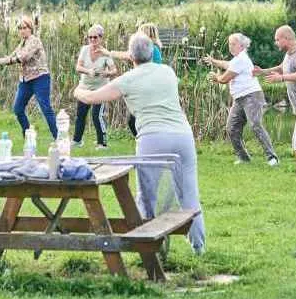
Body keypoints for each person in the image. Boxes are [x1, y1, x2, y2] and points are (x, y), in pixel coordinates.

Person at [74, 33, 205, 254]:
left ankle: (148, 248)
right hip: (182, 135)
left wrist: (78, 90)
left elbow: (91, 98)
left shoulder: (128, 79)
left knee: (147, 197)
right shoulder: (168, 72)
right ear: (152, 52)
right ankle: (198, 247)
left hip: (152, 137)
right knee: (189, 193)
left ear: (131, 55)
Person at [203, 33, 278, 166]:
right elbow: (228, 64)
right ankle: (244, 158)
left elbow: (224, 79)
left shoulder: (241, 59)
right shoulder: (238, 59)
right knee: (231, 127)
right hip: (239, 99)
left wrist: (216, 77)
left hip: (252, 96)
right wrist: (214, 61)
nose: (230, 47)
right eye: (229, 44)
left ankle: (272, 158)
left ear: (242, 46)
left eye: (233, 44)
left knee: (255, 125)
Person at [0, 16, 58, 139]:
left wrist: (11, 60)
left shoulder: (34, 41)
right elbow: (9, 58)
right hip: (25, 80)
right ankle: (28, 135)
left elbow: (23, 57)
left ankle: (58, 138)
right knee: (18, 108)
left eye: (24, 27)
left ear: (30, 28)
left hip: (40, 78)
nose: (22, 30)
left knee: (45, 108)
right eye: (19, 28)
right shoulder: (22, 43)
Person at [256, 25, 296, 183]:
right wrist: (263, 71)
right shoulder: (289, 54)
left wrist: (282, 78)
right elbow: (282, 68)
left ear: (287, 38)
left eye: (277, 39)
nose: (275, 42)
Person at [98, 23, 163, 136]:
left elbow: (128, 55)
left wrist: (109, 53)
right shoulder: (154, 48)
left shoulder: (150, 48)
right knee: (136, 120)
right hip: (151, 88)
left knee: (133, 121)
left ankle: (146, 140)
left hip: (149, 89)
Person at [72, 24, 116, 149]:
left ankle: (102, 143)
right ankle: (77, 141)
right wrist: (88, 71)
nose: (92, 40)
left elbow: (114, 71)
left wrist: (105, 73)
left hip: (100, 88)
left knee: (97, 115)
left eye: (95, 37)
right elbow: (78, 67)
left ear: (101, 38)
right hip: (85, 87)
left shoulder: (105, 53)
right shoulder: (84, 50)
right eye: (90, 37)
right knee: (81, 114)